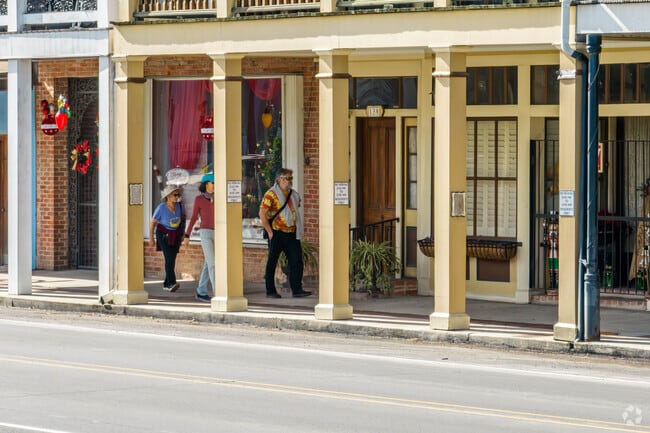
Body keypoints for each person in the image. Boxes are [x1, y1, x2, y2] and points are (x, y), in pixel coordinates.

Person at [259, 168, 311, 299]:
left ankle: (297, 289)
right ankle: (270, 291)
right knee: (272, 262)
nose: (290, 181)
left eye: (291, 178)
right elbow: (262, 214)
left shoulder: (293, 194)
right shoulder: (271, 194)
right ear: (280, 179)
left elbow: (295, 208)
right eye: (288, 178)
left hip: (292, 233)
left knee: (296, 261)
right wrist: (269, 231)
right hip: (277, 233)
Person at [184, 173, 215, 303]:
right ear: (206, 184)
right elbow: (193, 218)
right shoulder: (199, 199)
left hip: (219, 233)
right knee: (213, 264)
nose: (215, 186)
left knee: (209, 263)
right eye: (214, 183)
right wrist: (187, 235)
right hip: (205, 233)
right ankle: (218, 293)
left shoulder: (218, 197)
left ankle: (201, 291)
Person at [149, 184, 185, 292]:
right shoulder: (161, 208)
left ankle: (166, 284)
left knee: (172, 260)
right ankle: (172, 283)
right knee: (169, 259)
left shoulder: (179, 206)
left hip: (175, 235)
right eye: (174, 195)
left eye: (178, 195)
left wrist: (183, 234)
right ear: (168, 196)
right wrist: (151, 238)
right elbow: (152, 223)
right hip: (163, 234)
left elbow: (182, 220)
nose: (176, 197)